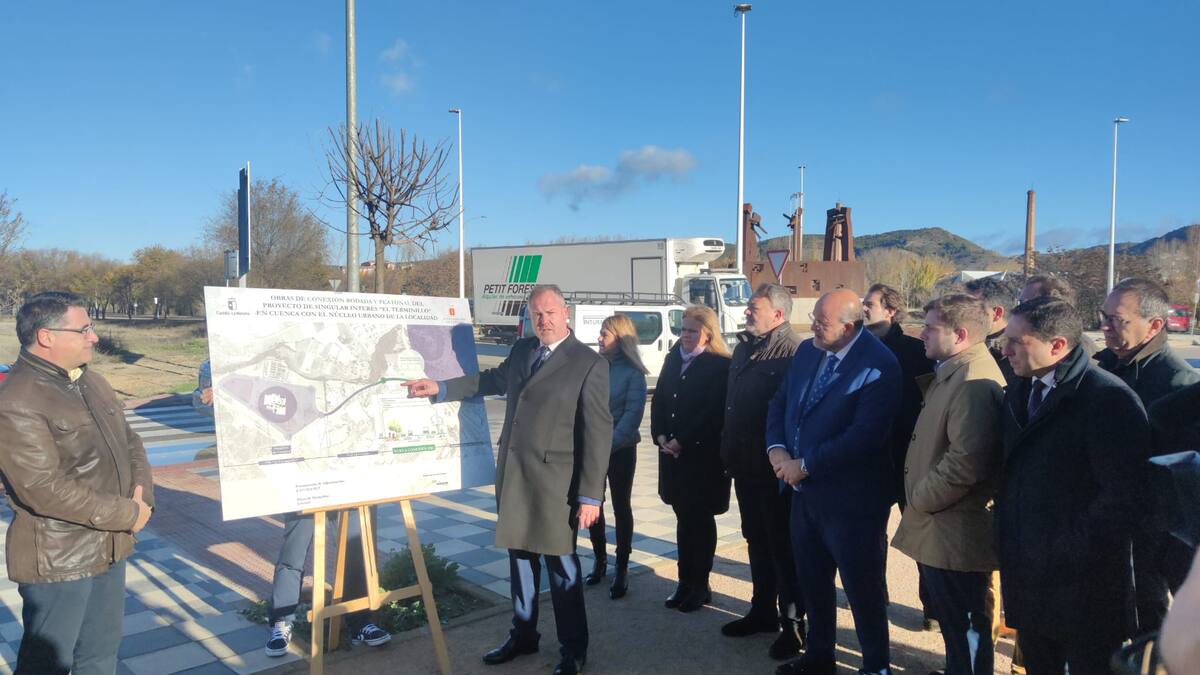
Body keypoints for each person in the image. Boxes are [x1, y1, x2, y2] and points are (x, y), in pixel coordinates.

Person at [404, 285, 611, 675]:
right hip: (516, 476)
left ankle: (573, 649)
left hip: (556, 486)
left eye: (550, 312)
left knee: (562, 569)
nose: (543, 320)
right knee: (520, 561)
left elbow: (598, 432)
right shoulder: (522, 351)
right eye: (536, 314)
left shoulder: (588, 363)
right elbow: (490, 381)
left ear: (565, 313)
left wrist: (590, 496)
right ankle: (524, 634)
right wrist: (441, 387)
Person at [0, 292, 154, 674]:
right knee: (47, 664)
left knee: (101, 654)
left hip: (110, 544)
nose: (94, 337)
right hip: (60, 559)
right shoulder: (17, 399)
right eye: (84, 329)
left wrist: (143, 498)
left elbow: (131, 442)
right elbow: (43, 487)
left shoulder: (92, 382)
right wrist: (128, 514)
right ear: (46, 336)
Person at [996, 297, 1148, 674]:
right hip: (1030, 577)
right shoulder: (1021, 387)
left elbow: (1122, 498)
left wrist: (1061, 549)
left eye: (1017, 341)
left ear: (1058, 345)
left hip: (1083, 586)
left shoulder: (1107, 399)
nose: (1005, 349)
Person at [767, 289, 901, 675]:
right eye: (813, 318)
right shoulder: (808, 352)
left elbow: (864, 436)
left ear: (849, 327)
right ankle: (819, 657)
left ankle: (875, 666)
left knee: (862, 590)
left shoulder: (879, 364)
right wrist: (777, 450)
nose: (812, 327)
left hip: (851, 502)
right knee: (812, 580)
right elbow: (780, 403)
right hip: (803, 495)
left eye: (821, 323)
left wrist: (806, 465)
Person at [891, 294, 1006, 675]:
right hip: (943, 527)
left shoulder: (973, 381)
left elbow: (966, 462)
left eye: (930, 328)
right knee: (956, 626)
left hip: (954, 531)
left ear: (959, 335)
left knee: (966, 625)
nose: (921, 334)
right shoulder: (955, 371)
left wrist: (920, 499)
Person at [1093, 277, 1200, 633]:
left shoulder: (1177, 383)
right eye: (1103, 317)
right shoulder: (1105, 367)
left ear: (1154, 325)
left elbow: (1177, 478)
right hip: (1105, 523)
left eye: (1116, 320)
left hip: (1149, 538)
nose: (1104, 327)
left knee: (1148, 624)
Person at [718, 284, 806, 659]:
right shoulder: (744, 347)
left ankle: (793, 626)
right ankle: (762, 611)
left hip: (775, 471)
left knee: (783, 548)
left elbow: (794, 413)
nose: (747, 312)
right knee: (756, 540)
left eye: (754, 308)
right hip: (744, 465)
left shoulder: (794, 352)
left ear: (778, 314)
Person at [652, 305, 731, 614]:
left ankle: (700, 584)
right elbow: (659, 399)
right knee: (683, 520)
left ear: (707, 334)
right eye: (683, 329)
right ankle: (684, 582)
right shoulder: (674, 358)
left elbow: (713, 412)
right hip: (672, 457)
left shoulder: (719, 365)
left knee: (700, 520)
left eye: (692, 331)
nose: (685, 335)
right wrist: (660, 435)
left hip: (701, 458)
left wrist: (682, 439)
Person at [585, 314, 648, 600]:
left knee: (621, 506)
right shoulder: (593, 366)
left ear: (620, 339)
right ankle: (599, 560)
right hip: (592, 449)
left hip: (620, 450)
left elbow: (632, 416)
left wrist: (605, 445)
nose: (599, 338)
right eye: (600, 333)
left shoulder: (633, 374)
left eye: (605, 334)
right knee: (591, 503)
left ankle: (622, 566)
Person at [964, 275, 1021, 387]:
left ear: (997, 314)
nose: (962, 315)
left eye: (971, 309)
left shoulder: (1017, 355)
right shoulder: (963, 343)